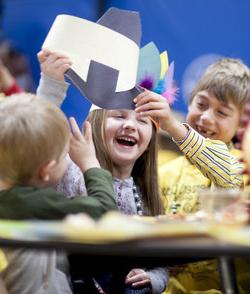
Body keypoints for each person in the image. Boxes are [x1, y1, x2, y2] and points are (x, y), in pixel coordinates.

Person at [36, 49, 168, 294]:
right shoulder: (69, 170)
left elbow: (160, 261)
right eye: (118, 116)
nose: (130, 125)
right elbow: (34, 139)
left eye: (142, 121)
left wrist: (152, 278)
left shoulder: (147, 192)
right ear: (96, 124)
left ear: (150, 138)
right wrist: (51, 85)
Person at [134, 58, 250, 293]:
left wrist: (173, 126)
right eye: (201, 105)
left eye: (222, 112)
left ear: (242, 124)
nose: (206, 117)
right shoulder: (164, 172)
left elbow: (228, 174)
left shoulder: (246, 168)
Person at [0, 93, 117, 293]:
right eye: (64, 155)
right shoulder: (31, 202)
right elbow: (105, 212)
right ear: (46, 171)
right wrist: (90, 163)